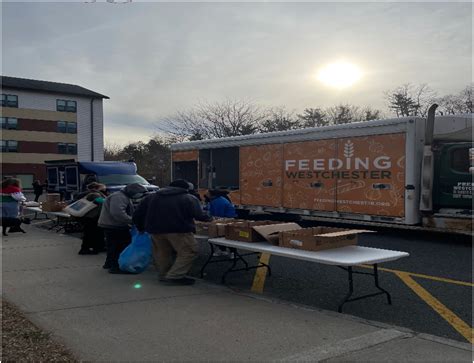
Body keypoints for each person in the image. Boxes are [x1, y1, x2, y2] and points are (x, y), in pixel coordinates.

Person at [133, 179, 212, 285]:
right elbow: (199, 215)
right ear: (186, 189)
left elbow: (138, 214)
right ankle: (175, 276)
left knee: (162, 253)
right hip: (179, 230)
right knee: (189, 251)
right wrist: (210, 219)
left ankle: (163, 275)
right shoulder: (188, 198)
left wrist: (141, 227)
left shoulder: (151, 197)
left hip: (155, 230)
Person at [98, 183, 148, 274]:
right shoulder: (119, 197)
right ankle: (116, 266)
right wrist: (132, 220)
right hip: (114, 225)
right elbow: (118, 213)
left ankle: (109, 263)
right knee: (118, 246)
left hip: (111, 224)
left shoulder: (121, 196)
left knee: (112, 246)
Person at [77, 182, 107, 255]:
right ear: (97, 188)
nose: (105, 189)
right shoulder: (95, 194)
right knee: (93, 233)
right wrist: (108, 199)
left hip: (89, 216)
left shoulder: (90, 193)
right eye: (103, 188)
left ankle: (97, 247)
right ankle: (87, 249)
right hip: (93, 217)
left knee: (92, 233)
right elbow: (99, 201)